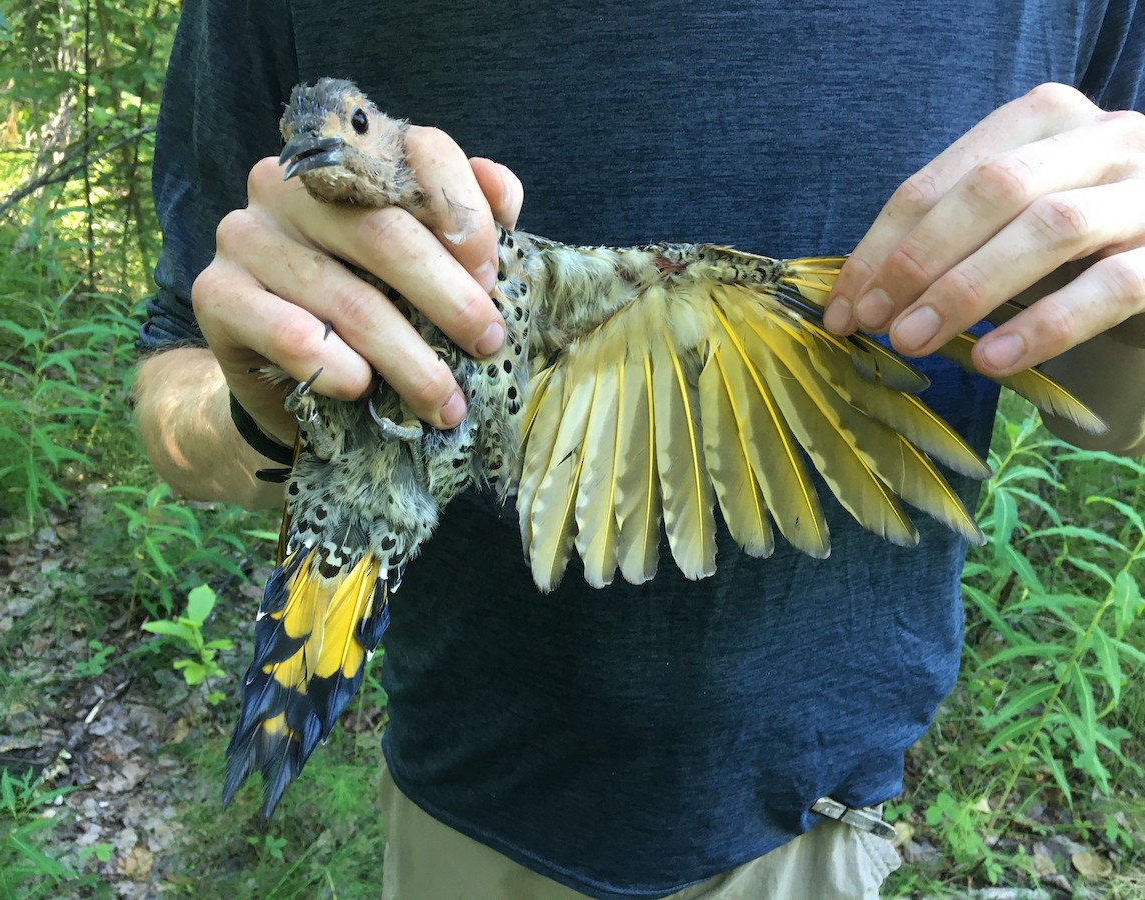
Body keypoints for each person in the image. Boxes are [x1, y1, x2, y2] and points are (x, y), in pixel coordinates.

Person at [133, 2, 1145, 897]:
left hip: (814, 818)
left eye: (347, 128)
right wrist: (263, 411)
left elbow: (1115, 407)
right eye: (307, 141)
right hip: (469, 800)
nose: (325, 151)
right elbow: (177, 373)